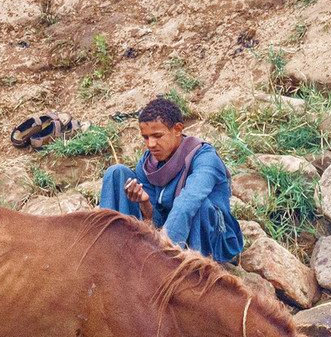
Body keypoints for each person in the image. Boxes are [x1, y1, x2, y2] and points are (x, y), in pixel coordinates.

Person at [99, 97, 243, 263]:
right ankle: (111, 254)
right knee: (116, 173)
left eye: (157, 136)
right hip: (169, 231)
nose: (151, 144)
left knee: (200, 205)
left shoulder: (205, 158)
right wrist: (145, 203)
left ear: (177, 129)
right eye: (145, 137)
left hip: (208, 240)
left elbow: (187, 203)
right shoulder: (149, 163)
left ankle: (191, 271)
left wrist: (159, 257)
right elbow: (157, 220)